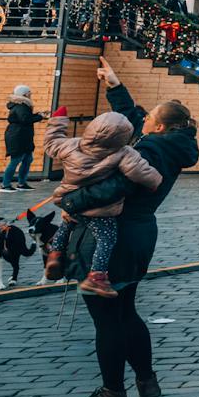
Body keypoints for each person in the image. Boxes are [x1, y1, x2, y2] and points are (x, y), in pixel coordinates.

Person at [55, 60, 199, 397]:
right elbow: (131, 121)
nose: (144, 119)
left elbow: (114, 187)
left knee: (107, 319)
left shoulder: (149, 150)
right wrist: (116, 86)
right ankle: (147, 383)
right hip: (139, 234)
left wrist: (70, 201)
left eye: (150, 117)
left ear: (160, 126)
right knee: (126, 311)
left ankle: (112, 393)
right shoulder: (168, 145)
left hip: (113, 233)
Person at [38, 99, 163, 298]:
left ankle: (55, 255)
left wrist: (58, 119)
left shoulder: (71, 145)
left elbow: (51, 142)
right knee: (106, 237)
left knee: (67, 223)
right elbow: (142, 173)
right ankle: (97, 277)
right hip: (98, 207)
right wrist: (156, 181)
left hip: (69, 199)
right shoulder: (123, 153)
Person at [0, 83, 40, 191]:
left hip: (22, 136)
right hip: (18, 136)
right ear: (24, 94)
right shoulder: (21, 105)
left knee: (27, 159)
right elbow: (25, 119)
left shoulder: (21, 105)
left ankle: (21, 183)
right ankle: (5, 184)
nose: (30, 94)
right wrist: (39, 117)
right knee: (16, 160)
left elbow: (25, 118)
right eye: (29, 92)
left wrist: (38, 115)